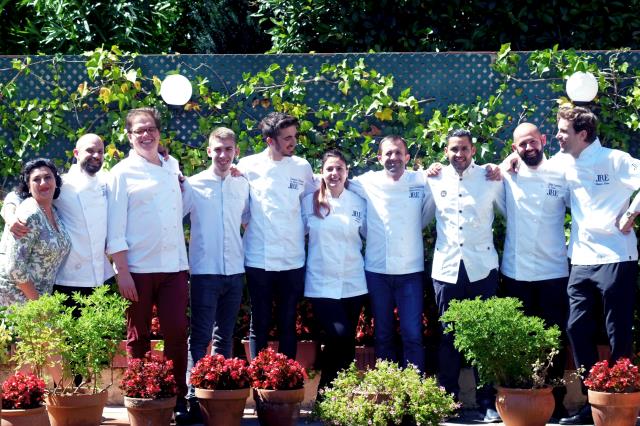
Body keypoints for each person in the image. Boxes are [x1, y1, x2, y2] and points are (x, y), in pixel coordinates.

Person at [551, 106, 640, 425]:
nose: (558, 136)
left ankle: (621, 403)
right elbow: (532, 175)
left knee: (618, 333)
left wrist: (631, 213)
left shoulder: (614, 159)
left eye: (563, 131)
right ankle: (594, 401)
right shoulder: (562, 162)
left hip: (618, 257)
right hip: (581, 260)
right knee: (576, 327)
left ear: (583, 135)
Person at [106, 107, 190, 420]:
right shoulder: (121, 173)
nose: (146, 134)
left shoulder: (172, 165)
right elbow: (114, 228)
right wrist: (122, 272)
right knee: (137, 339)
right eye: (139, 130)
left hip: (173, 269)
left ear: (158, 132)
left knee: (177, 334)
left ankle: (176, 399)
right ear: (129, 136)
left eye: (150, 128)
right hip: (137, 271)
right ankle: (139, 398)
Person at [426, 129, 505, 422]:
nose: (459, 154)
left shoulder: (490, 178)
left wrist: (501, 167)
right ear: (446, 151)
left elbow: (512, 209)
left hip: (482, 267)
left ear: (473, 150)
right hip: (447, 268)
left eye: (464, 149)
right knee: (448, 335)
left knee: (483, 336)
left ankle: (487, 402)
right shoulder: (433, 178)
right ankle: (449, 400)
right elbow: (420, 215)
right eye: (453, 149)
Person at [500, 123, 570, 420]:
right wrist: (505, 162)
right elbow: (481, 174)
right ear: (514, 148)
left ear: (543, 140)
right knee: (519, 340)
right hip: (516, 272)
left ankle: (557, 402)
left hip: (554, 270)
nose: (528, 148)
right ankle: (522, 400)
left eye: (532, 142)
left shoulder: (562, 173)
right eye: (521, 145)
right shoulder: (506, 174)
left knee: (554, 339)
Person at [181, 127, 249, 423]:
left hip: (235, 271)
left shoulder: (242, 184)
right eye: (217, 149)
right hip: (205, 272)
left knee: (224, 338)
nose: (223, 155)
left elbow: (248, 220)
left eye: (228, 149)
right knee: (198, 339)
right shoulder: (193, 186)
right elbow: (171, 218)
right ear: (208, 151)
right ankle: (194, 401)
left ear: (235, 152)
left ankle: (218, 400)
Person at [348, 135, 433, 372]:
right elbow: (333, 178)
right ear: (379, 158)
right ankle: (389, 391)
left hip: (411, 272)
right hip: (377, 272)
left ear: (407, 157)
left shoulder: (421, 179)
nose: (393, 158)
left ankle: (415, 392)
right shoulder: (367, 181)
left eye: (398, 153)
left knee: (412, 334)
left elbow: (432, 204)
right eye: (388, 153)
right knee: (383, 334)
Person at [236, 112, 315, 360]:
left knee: (288, 321)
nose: (293, 142)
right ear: (270, 140)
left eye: (295, 136)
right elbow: (240, 207)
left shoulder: (302, 167)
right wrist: (253, 226)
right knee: (259, 321)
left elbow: (309, 207)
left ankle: (285, 382)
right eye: (287, 137)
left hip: (292, 259)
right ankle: (260, 381)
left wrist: (295, 232)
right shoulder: (248, 166)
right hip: (258, 258)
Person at [302, 149, 367, 394]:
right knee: (338, 335)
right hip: (321, 282)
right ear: (322, 172)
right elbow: (296, 235)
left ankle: (340, 401)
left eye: (339, 168)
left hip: (353, 281)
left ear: (347, 172)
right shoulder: (309, 202)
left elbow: (371, 234)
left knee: (347, 342)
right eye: (329, 168)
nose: (334, 173)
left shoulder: (358, 202)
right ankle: (325, 395)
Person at [0, 158, 71, 305]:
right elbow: (14, 267)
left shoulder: (53, 211)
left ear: (56, 181)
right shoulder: (29, 214)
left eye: (48, 177)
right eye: (36, 179)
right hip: (17, 300)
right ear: (28, 186)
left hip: (39, 298)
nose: (43, 183)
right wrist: (40, 305)